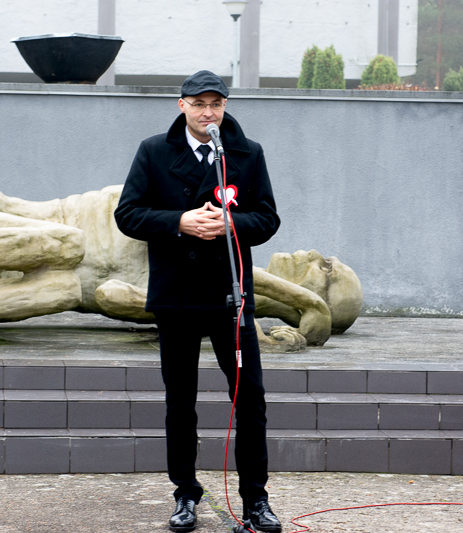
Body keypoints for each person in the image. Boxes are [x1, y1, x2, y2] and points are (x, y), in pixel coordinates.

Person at [114, 71, 282, 533]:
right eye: (199, 103)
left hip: (230, 296)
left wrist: (231, 225)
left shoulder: (246, 153)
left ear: (225, 106)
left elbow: (267, 218)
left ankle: (256, 499)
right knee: (180, 400)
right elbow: (127, 214)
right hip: (177, 295)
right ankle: (185, 493)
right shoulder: (154, 150)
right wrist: (180, 221)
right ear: (182, 105)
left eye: (216, 104)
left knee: (250, 398)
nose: (209, 112)